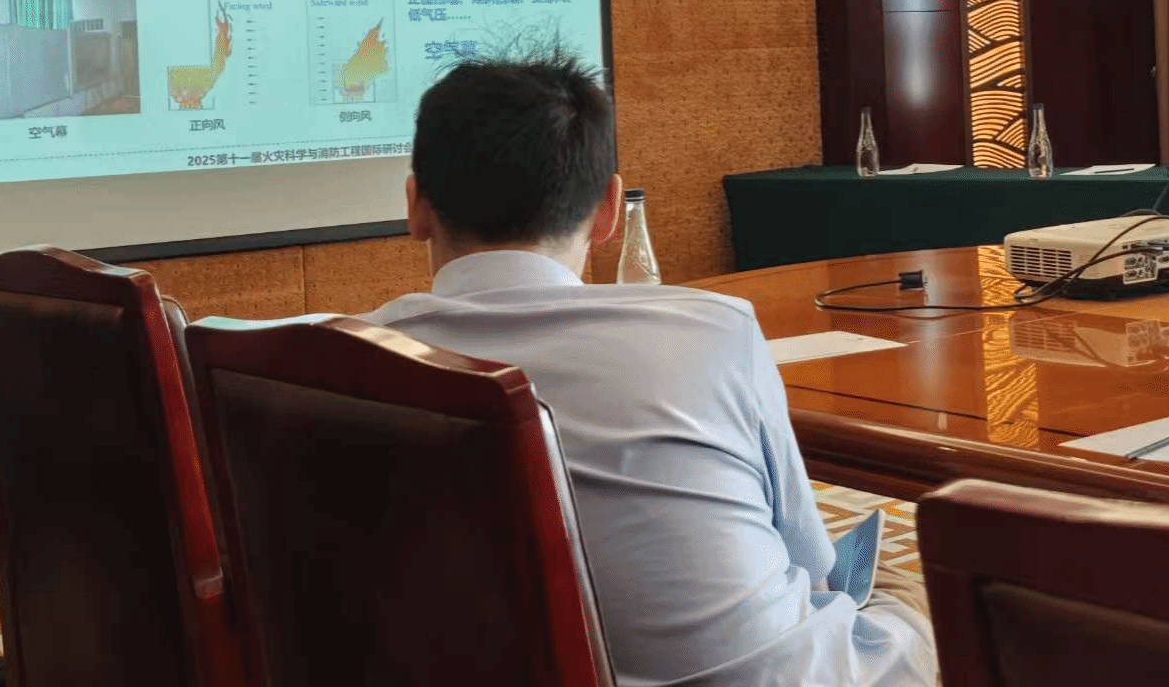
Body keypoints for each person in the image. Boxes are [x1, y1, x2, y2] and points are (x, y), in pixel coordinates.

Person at [362, 50, 937, 687]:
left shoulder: (347, 357)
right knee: (912, 593)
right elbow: (814, 566)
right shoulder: (710, 332)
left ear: (415, 205)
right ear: (609, 211)